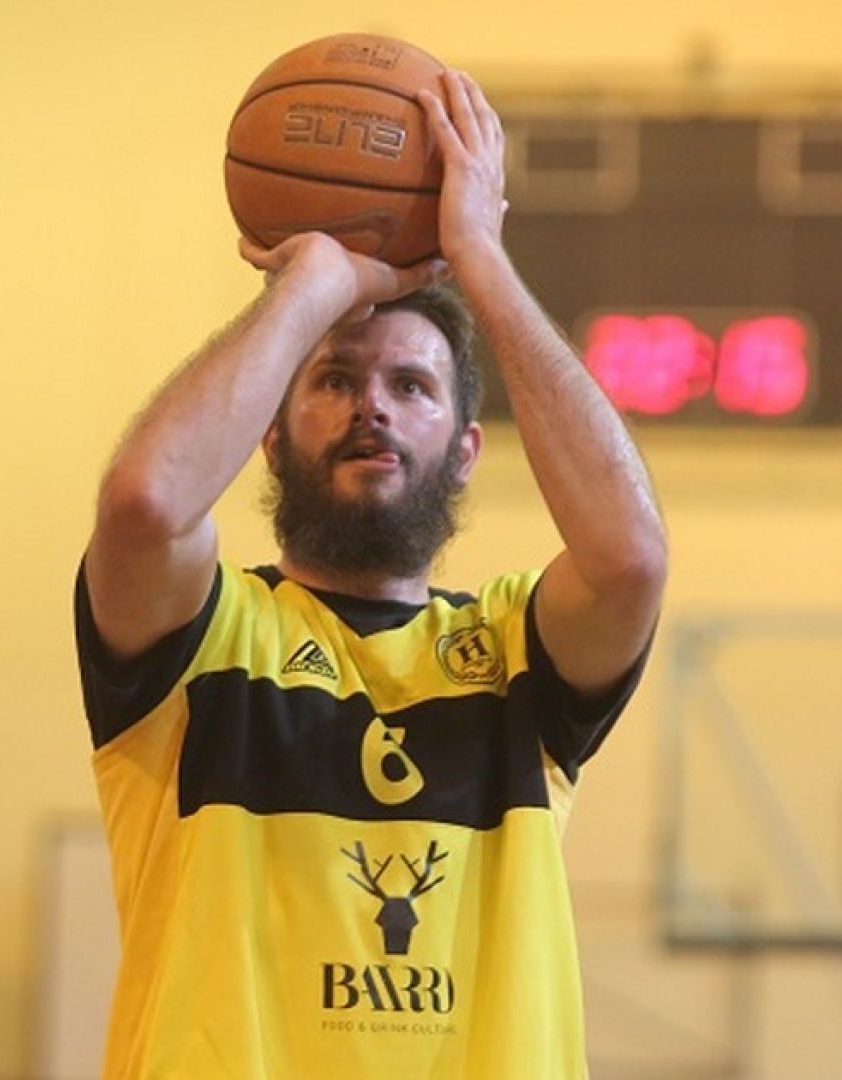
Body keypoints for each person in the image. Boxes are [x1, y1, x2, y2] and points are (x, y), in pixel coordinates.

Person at [73, 67, 666, 1079]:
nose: (373, 407)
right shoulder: (207, 636)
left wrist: (481, 260)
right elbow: (143, 504)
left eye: (412, 385)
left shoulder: (513, 654)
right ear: (268, 438)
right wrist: (311, 289)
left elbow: (631, 560)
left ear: (467, 451)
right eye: (335, 379)